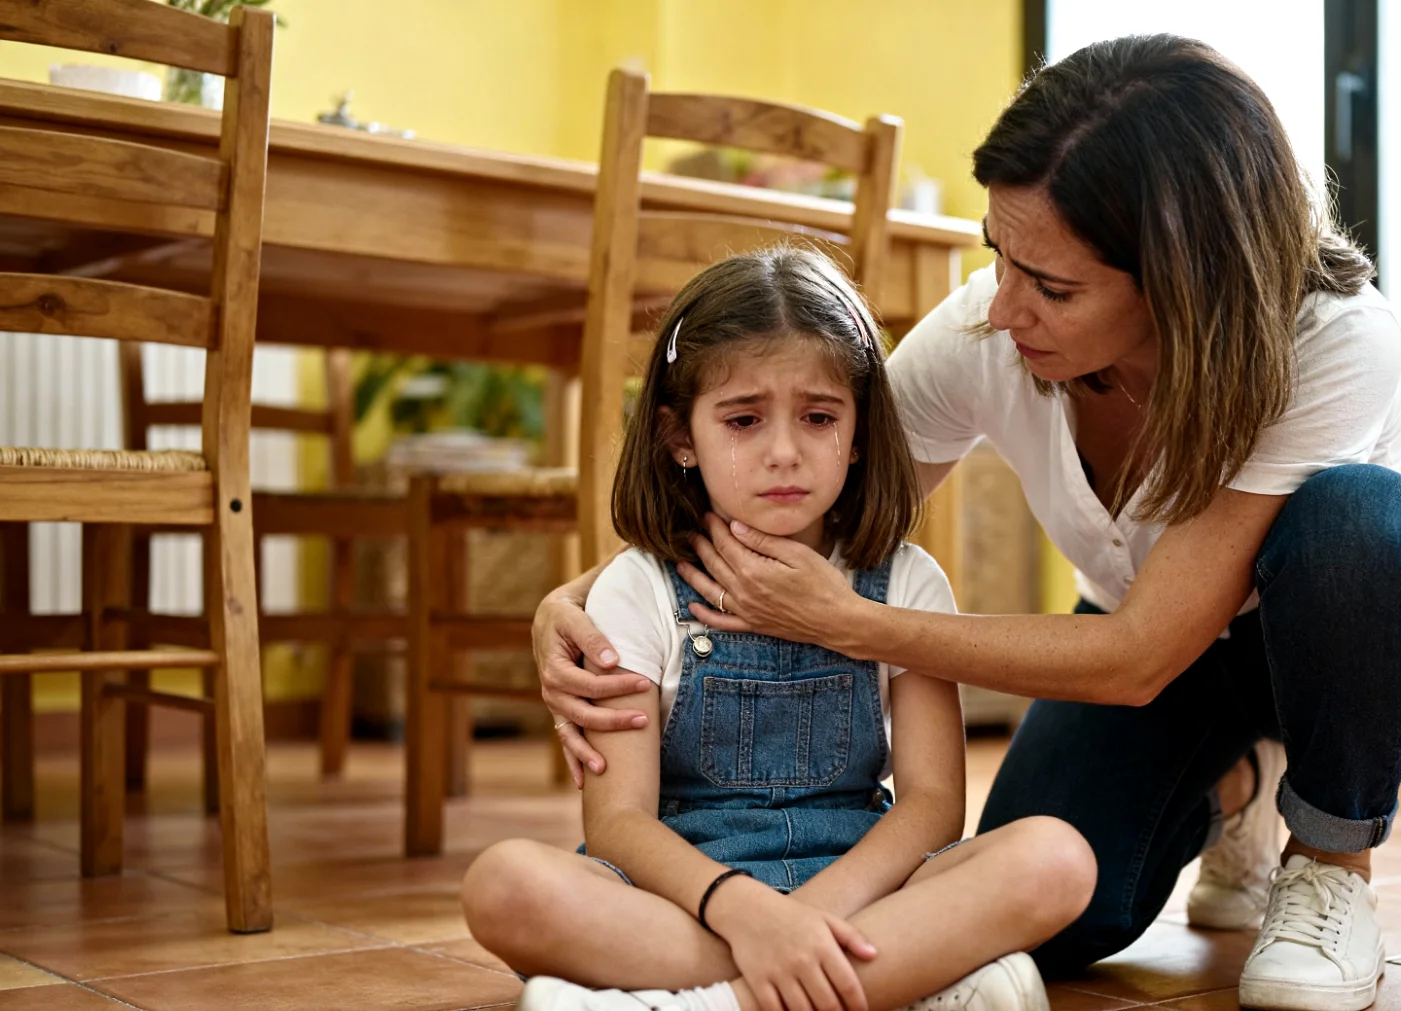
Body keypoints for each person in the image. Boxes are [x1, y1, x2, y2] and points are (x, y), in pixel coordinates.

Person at [529, 36, 1401, 1011]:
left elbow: (1140, 656)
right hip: (1162, 655)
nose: (1003, 308)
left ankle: (1330, 859)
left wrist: (854, 623)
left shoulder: (1332, 339)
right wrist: (573, 603)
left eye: (1053, 287)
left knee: (1358, 523)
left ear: (1183, 280)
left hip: (1363, 636)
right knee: (1056, 922)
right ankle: (1237, 787)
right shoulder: (986, 334)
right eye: (999, 254)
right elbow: (803, 497)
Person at [462, 248, 1097, 1011]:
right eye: (743, 419)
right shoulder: (635, 587)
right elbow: (619, 823)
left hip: (863, 884)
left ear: (859, 432)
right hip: (688, 893)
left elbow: (932, 805)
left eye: (820, 417)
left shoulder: (907, 581)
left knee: (1057, 859)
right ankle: (902, 982)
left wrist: (807, 918)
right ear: (679, 436)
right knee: (505, 884)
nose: (785, 452)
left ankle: (713, 1003)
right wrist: (748, 912)